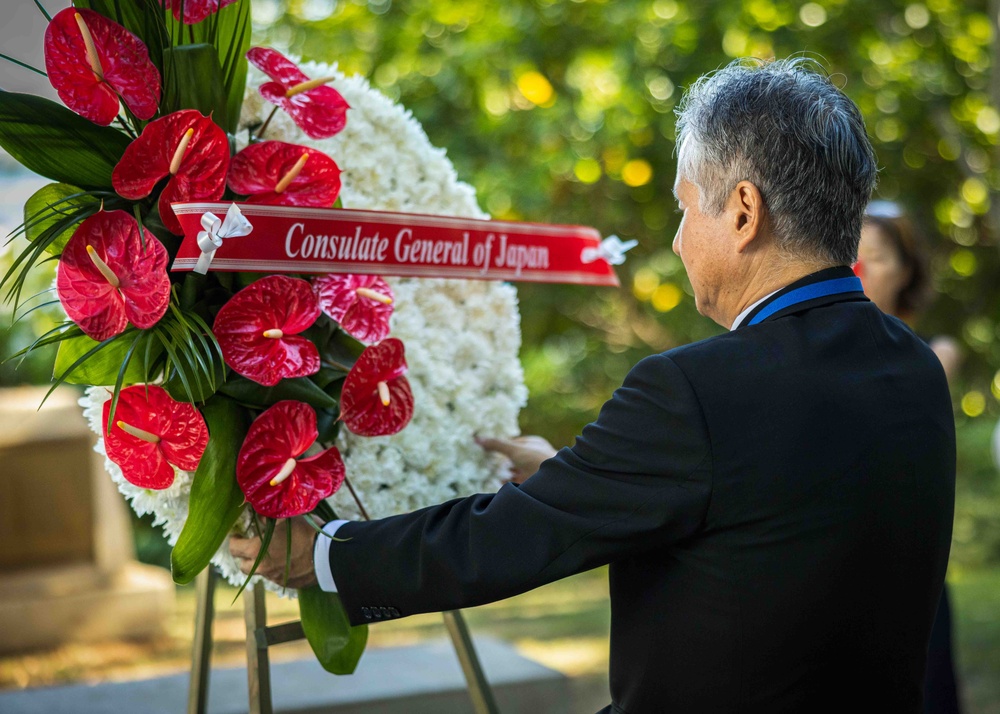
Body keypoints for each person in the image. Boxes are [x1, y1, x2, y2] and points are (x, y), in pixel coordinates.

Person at [230, 58, 956, 713]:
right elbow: (772, 509)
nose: (676, 241)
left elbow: (513, 539)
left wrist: (326, 555)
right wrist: (568, 475)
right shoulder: (911, 369)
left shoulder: (696, 390)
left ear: (742, 211)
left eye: (683, 206)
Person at [858, 201, 964, 714]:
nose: (857, 271)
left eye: (874, 257)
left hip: (905, 568)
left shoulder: (933, 356)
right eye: (847, 257)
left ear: (905, 270)